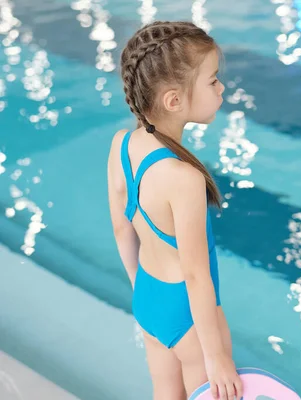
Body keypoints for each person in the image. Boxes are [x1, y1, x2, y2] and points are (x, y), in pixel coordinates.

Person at [106, 20, 242, 400]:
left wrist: (141, 290)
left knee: (164, 393)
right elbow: (197, 276)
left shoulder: (121, 145)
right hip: (190, 318)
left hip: (148, 295)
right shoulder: (183, 178)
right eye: (213, 81)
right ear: (174, 99)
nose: (222, 88)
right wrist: (216, 357)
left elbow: (121, 230)